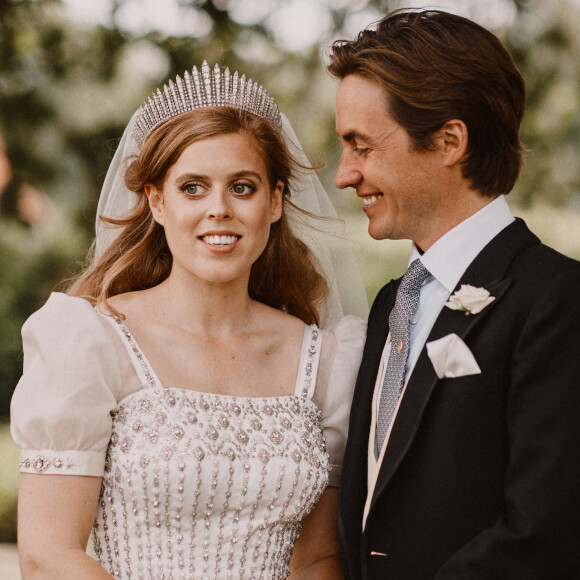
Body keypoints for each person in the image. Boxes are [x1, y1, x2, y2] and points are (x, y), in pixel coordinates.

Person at [11, 61, 368, 579]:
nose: (218, 209)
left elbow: (318, 559)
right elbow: (49, 558)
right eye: (193, 188)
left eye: (242, 187)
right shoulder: (91, 341)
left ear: (275, 201)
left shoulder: (329, 363)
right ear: (157, 201)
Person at [328, 9, 580, 580]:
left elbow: (547, 532)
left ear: (449, 140)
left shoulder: (558, 301)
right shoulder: (392, 302)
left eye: (361, 146)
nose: (345, 175)